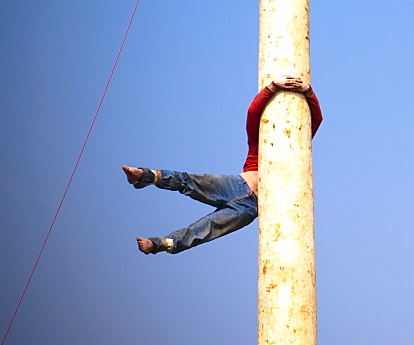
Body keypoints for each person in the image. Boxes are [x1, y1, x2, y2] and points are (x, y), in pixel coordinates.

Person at [122, 76, 322, 255]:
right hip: (237, 185)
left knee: (204, 230)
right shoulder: (259, 142)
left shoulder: (298, 152)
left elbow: (316, 120)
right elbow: (253, 113)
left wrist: (308, 91)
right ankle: (143, 175)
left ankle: (157, 245)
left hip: (248, 208)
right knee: (189, 181)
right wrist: (271, 87)